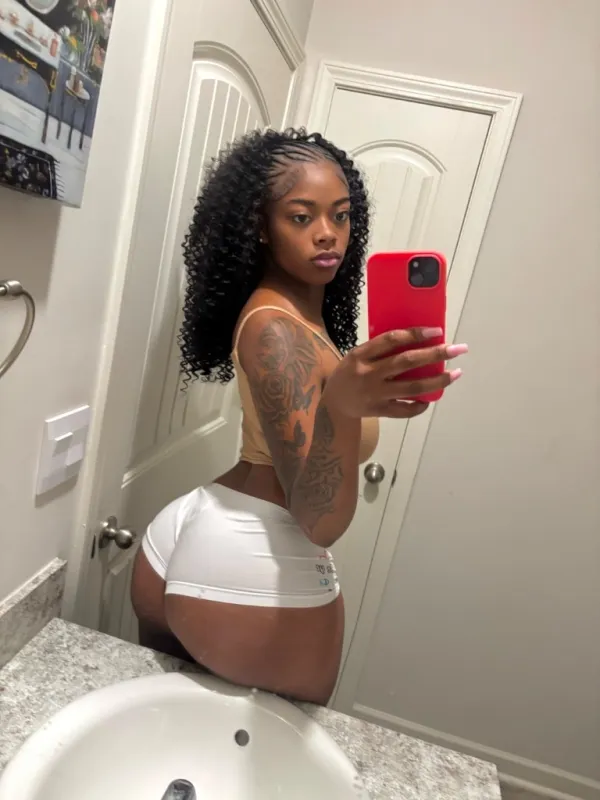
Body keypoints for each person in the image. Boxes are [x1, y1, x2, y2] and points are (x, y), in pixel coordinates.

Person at [131, 128, 467, 704]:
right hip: (253, 558)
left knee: (166, 726)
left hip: (212, 530)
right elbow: (319, 522)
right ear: (261, 227)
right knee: (284, 749)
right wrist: (344, 409)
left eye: (341, 215)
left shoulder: (294, 317)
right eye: (301, 216)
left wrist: (354, 402)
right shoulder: (276, 329)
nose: (327, 233)